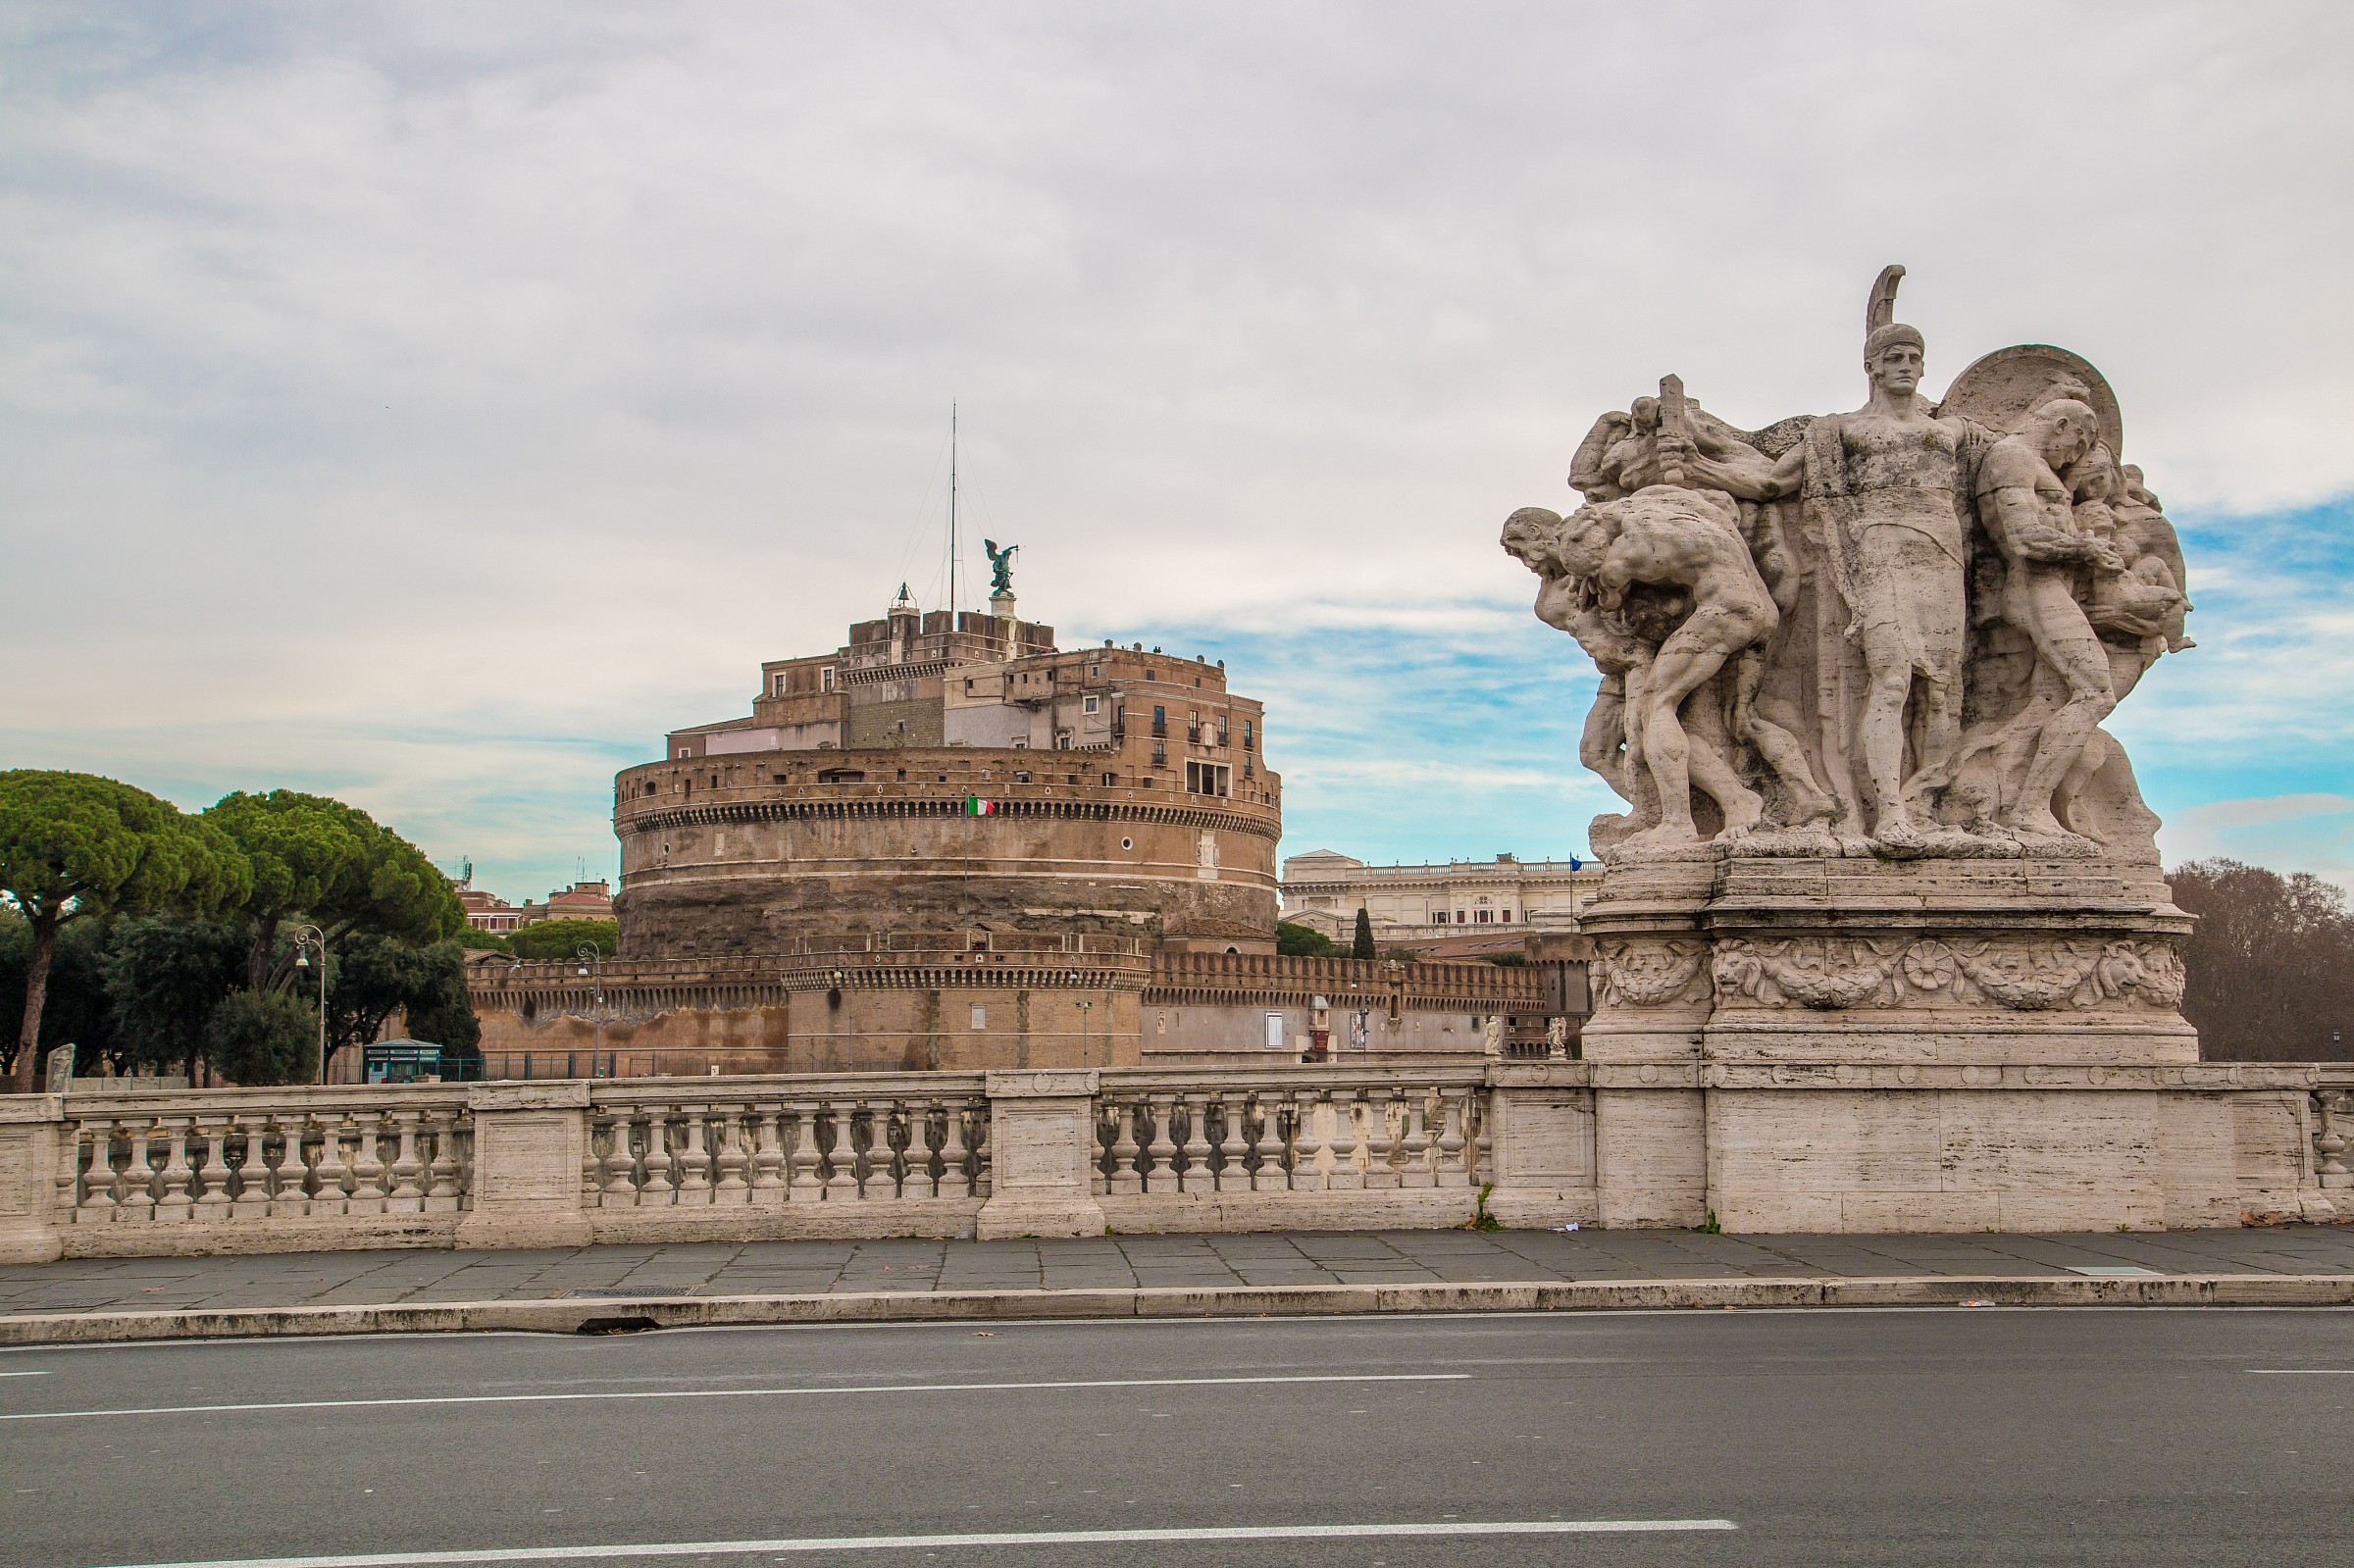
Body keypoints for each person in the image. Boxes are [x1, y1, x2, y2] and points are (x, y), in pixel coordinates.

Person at [1663, 267, 1983, 850]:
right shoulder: (1838, 430)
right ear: (1872, 367)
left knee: (1941, 690)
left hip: (1942, 559)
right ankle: (1889, 811)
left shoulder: (1956, 430)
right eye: (1894, 358)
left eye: (1914, 357)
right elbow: (1768, 482)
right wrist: (1695, 462)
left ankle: (1929, 803)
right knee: (1892, 680)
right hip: (1876, 559)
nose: (1906, 367)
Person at [1973, 399, 2124, 841]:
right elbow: (2021, 536)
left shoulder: (2033, 463)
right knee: (2096, 690)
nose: (2072, 458)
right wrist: (2086, 549)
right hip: (2034, 586)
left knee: (2055, 701)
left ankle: (2019, 794)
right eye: (2076, 445)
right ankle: (2030, 808)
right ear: (2061, 425)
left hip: (2052, 587)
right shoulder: (2012, 457)